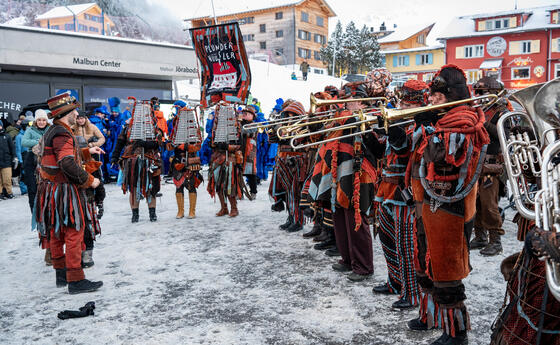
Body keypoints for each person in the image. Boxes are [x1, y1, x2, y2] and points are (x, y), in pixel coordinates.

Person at [415, 65, 489, 345]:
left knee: (447, 270)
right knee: (428, 263)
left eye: (437, 95)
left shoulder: (463, 121)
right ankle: (435, 320)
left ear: (451, 95)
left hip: (451, 207)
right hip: (433, 203)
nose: (431, 99)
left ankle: (456, 334)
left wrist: (429, 128)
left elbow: (442, 156)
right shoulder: (446, 120)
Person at [35, 92, 103, 294]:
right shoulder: (63, 133)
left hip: (51, 190)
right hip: (63, 190)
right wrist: (90, 181)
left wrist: (86, 152)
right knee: (74, 232)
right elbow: (66, 162)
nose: (76, 113)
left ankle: (61, 274)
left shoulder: (53, 130)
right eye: (73, 110)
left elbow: (61, 156)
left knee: (57, 231)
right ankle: (75, 280)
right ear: (67, 113)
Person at [372, 80, 426, 310]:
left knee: (406, 245)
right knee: (386, 239)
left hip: (405, 192)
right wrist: (369, 134)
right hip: (386, 189)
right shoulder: (398, 121)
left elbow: (404, 152)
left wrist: (392, 131)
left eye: (406, 101)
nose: (401, 105)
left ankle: (412, 294)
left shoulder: (420, 126)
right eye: (401, 100)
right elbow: (379, 152)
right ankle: (395, 281)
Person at [470, 76, 510, 256]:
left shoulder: (503, 113)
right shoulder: (478, 110)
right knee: (476, 203)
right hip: (476, 163)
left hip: (492, 166)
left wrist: (482, 123)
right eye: (478, 92)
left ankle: (496, 241)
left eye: (483, 92)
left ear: (494, 93)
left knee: (489, 205)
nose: (479, 95)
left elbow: (503, 136)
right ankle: (480, 237)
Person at [111, 102, 163, 223]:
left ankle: (152, 214)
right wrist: (114, 157)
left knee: (151, 189)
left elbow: (158, 143)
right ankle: (135, 215)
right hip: (131, 162)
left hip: (150, 161)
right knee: (134, 189)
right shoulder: (127, 127)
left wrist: (145, 143)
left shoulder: (154, 126)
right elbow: (119, 143)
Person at [268, 100, 308, 232]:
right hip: (283, 161)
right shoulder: (283, 124)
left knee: (295, 193)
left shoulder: (304, 125)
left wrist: (288, 132)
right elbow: (274, 140)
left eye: (293, 115)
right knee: (287, 193)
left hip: (296, 162)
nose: (290, 117)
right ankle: (291, 218)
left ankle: (298, 220)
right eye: (288, 114)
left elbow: (297, 141)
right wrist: (272, 129)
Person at [207, 104, 247, 217]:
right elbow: (210, 142)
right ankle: (223, 208)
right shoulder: (215, 127)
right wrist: (214, 144)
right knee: (218, 185)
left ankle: (234, 208)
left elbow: (240, 145)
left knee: (230, 184)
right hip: (218, 157)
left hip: (230, 159)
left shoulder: (237, 126)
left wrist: (228, 147)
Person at [169, 101, 203, 219]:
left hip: (192, 159)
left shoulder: (192, 123)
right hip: (178, 159)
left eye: (178, 108)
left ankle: (192, 211)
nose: (177, 111)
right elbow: (170, 141)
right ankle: (180, 211)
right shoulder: (174, 124)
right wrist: (175, 145)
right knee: (179, 186)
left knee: (191, 185)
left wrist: (188, 147)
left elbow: (198, 143)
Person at [72, 111, 106, 220]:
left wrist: (93, 144)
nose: (80, 120)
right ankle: (88, 202)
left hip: (92, 154)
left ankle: (100, 201)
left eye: (82, 118)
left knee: (97, 176)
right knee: (84, 178)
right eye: (78, 118)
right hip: (79, 155)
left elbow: (102, 138)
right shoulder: (72, 128)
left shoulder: (92, 127)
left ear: (85, 118)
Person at [0, 120, 16, 199]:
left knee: (7, 179)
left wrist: (14, 157)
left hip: (6, 161)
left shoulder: (7, 136)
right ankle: (0, 193)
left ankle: (9, 192)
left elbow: (12, 148)